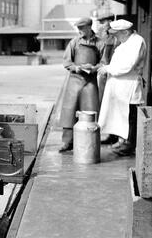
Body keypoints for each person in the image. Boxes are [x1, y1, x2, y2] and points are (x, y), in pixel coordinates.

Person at [97, 19, 147, 156]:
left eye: (117, 34)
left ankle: (129, 145)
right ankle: (119, 139)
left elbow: (127, 65)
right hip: (120, 86)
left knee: (129, 116)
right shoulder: (126, 41)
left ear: (125, 31)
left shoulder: (137, 42)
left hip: (129, 85)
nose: (116, 37)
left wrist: (108, 68)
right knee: (119, 114)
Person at [58, 17, 105, 152]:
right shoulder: (74, 42)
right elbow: (67, 62)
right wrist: (76, 68)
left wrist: (94, 68)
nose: (79, 31)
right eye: (78, 28)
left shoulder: (100, 43)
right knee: (69, 111)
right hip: (74, 79)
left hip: (90, 81)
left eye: (82, 28)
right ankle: (67, 142)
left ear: (89, 27)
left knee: (91, 112)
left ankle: (90, 142)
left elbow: (104, 62)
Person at [96, 13, 120, 145]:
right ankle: (112, 134)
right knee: (106, 105)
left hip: (112, 76)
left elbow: (107, 59)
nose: (101, 26)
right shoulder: (106, 39)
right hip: (105, 76)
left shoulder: (113, 41)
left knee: (113, 105)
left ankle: (115, 135)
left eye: (103, 22)